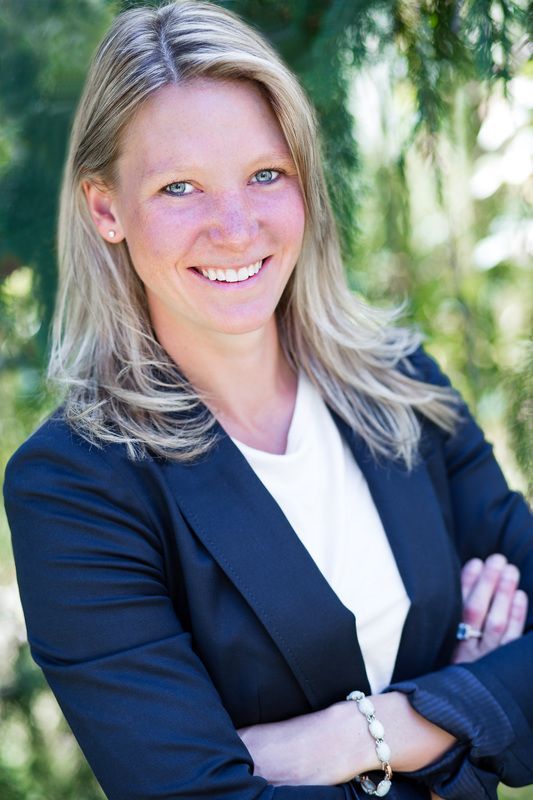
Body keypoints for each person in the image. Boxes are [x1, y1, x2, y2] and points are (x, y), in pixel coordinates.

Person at [3, 2, 532, 799]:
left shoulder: (399, 384)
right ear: (107, 209)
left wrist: (363, 733)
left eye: (264, 175)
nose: (235, 226)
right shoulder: (76, 488)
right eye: (180, 187)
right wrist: (470, 704)